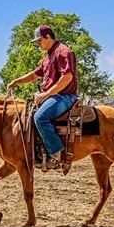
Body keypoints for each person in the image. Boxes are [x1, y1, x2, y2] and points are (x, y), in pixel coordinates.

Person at [7, 25, 79, 172]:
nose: (38, 44)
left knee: (40, 117)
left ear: (48, 37)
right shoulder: (47, 57)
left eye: (39, 41)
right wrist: (17, 81)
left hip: (65, 96)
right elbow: (34, 75)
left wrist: (46, 94)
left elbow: (67, 77)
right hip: (54, 96)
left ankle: (55, 153)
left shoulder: (63, 52)